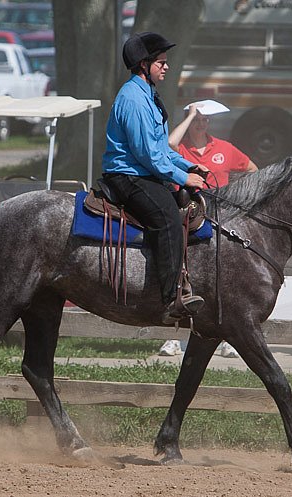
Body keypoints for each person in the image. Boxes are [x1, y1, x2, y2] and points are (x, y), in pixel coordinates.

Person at [101, 32, 207, 325]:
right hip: (127, 176)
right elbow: (148, 155)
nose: (166, 67)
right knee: (169, 218)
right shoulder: (133, 99)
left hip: (142, 171)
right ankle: (172, 298)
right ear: (143, 65)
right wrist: (183, 178)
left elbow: (160, 148)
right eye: (161, 62)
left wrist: (190, 166)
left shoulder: (147, 94)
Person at [158, 100, 259, 358]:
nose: (201, 123)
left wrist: (240, 197)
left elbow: (252, 170)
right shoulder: (179, 148)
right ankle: (175, 337)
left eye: (204, 119)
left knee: (225, 281)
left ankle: (228, 337)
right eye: (197, 119)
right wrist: (189, 114)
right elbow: (169, 143)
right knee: (183, 273)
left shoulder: (224, 149)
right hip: (187, 218)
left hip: (220, 220)